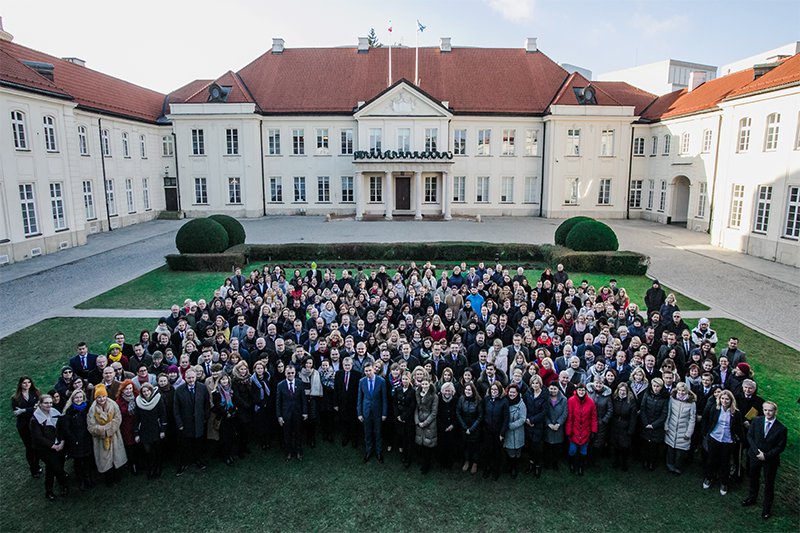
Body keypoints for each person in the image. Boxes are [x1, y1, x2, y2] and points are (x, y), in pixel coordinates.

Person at [742, 401, 788, 520]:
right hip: (755, 456)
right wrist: (757, 452)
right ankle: (752, 497)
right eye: (765, 410)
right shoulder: (756, 421)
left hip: (770, 460)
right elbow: (750, 436)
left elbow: (780, 447)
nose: (768, 412)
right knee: (753, 478)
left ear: (775, 411)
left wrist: (766, 456)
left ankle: (766, 508)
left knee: (769, 484)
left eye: (770, 410)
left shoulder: (781, 428)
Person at [702, 389, 744, 496]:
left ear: (731, 400)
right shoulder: (715, 409)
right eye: (722, 398)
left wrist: (741, 440)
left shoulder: (736, 413)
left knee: (725, 462)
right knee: (711, 459)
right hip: (714, 437)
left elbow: (739, 428)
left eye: (727, 399)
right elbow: (710, 420)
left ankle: (724, 482)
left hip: (728, 440)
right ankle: (709, 477)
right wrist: (707, 432)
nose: (724, 401)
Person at [29, 393, 69, 501]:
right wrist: (53, 446)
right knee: (57, 468)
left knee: (51, 469)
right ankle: (64, 485)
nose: (49, 405)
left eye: (50, 403)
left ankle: (49, 490)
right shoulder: (35, 420)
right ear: (40, 404)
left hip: (59, 444)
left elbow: (61, 428)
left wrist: (62, 442)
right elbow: (38, 437)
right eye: (46, 403)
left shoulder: (55, 412)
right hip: (45, 449)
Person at [86, 384, 127, 486]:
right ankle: (109, 479)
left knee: (116, 456)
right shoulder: (92, 409)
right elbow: (91, 426)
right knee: (105, 459)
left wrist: (109, 430)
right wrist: (103, 431)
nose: (101, 399)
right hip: (101, 439)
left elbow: (118, 419)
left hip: (114, 436)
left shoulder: (113, 404)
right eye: (99, 397)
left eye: (103, 396)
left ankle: (118, 476)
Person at [173, 369, 210, 475]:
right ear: (185, 378)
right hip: (186, 423)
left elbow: (206, 403)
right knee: (185, 444)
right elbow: (176, 409)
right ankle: (184, 463)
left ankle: (198, 460)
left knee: (198, 443)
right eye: (188, 378)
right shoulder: (179, 390)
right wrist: (179, 423)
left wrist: (205, 417)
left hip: (199, 422)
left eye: (193, 377)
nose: (191, 380)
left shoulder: (202, 388)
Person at [60, 390, 94, 490]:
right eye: (76, 398)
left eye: (80, 397)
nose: (79, 399)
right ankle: (81, 480)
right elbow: (66, 429)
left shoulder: (87, 407)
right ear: (72, 399)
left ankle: (88, 477)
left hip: (87, 438)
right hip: (76, 441)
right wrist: (74, 440)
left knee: (87, 460)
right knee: (78, 461)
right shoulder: (69, 411)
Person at [11, 376, 42, 478]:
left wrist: (24, 410)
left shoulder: (36, 393)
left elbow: (38, 407)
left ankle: (37, 465)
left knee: (36, 445)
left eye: (29, 382)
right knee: (29, 447)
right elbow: (17, 413)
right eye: (24, 383)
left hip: (35, 423)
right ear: (20, 384)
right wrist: (31, 409)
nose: (27, 384)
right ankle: (33, 468)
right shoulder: (15, 398)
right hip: (23, 426)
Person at [134, 382, 167, 478]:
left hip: (156, 429)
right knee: (148, 451)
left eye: (148, 390)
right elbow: (136, 418)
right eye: (144, 391)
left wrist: (162, 430)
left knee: (157, 450)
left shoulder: (158, 399)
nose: (146, 393)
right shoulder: (138, 401)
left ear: (151, 391)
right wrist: (136, 433)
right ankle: (150, 468)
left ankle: (158, 468)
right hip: (144, 430)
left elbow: (163, 415)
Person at [357, 361, 388, 463]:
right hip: (366, 412)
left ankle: (379, 452)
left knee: (378, 432)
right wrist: (359, 413)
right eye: (366, 371)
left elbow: (384, 399)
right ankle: (368, 451)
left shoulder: (381, 381)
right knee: (367, 433)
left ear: (374, 369)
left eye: (369, 370)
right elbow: (359, 398)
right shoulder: (362, 381)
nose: (368, 373)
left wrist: (384, 413)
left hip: (378, 412)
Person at [276, 364, 308, 461]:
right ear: (285, 373)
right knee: (287, 434)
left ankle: (298, 452)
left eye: (292, 373)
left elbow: (304, 399)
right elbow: (278, 402)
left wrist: (305, 412)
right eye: (288, 373)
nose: (290, 375)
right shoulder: (280, 385)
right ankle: (288, 452)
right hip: (286, 414)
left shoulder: (300, 383)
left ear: (295, 373)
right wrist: (279, 416)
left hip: (298, 413)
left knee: (298, 433)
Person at [664, 381, 697, 475]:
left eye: (683, 391)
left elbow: (692, 419)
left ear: (686, 391)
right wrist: (666, 425)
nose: (681, 392)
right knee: (670, 449)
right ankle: (670, 466)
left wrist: (688, 433)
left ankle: (678, 468)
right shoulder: (672, 399)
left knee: (680, 452)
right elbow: (669, 413)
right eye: (679, 390)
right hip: (671, 427)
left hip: (683, 430)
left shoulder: (691, 403)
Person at [565, 383, 597, 476]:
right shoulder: (571, 400)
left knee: (583, 450)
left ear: (586, 391)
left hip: (585, 431)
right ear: (576, 391)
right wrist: (568, 431)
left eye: (583, 390)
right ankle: (571, 463)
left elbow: (593, 418)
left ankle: (581, 466)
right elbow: (569, 417)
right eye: (579, 390)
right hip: (574, 430)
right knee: (572, 450)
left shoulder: (591, 402)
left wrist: (593, 431)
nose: (581, 392)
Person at [639, 377, 669, 471]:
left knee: (654, 447)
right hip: (646, 423)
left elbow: (664, 414)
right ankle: (644, 461)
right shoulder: (647, 394)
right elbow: (642, 408)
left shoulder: (664, 398)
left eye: (658, 386)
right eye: (654, 386)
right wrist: (646, 422)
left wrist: (654, 425)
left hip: (656, 426)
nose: (656, 388)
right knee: (645, 445)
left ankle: (652, 462)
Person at [482, 381, 508, 480]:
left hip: (498, 431)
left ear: (500, 390)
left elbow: (506, 418)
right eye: (492, 389)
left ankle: (495, 471)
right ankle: (486, 469)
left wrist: (502, 433)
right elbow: (483, 413)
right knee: (487, 451)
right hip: (487, 430)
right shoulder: (487, 399)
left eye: (496, 390)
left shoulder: (504, 401)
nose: (494, 391)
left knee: (497, 452)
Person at [334, 357, 361, 448]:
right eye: (345, 365)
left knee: (353, 422)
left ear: (352, 365)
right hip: (342, 402)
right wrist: (336, 403)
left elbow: (359, 391)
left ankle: (354, 439)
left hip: (353, 403)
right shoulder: (338, 374)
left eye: (349, 365)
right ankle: (345, 438)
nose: (347, 367)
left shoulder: (357, 375)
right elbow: (336, 389)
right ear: (342, 365)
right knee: (343, 421)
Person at [609, 382, 637, 471]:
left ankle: (624, 464)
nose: (622, 392)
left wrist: (630, 430)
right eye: (620, 390)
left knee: (625, 447)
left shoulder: (631, 401)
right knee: (615, 446)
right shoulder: (614, 398)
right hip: (615, 425)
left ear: (627, 391)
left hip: (625, 426)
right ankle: (615, 462)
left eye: (624, 390)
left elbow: (633, 417)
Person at [456, 381, 483, 475]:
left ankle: (475, 463)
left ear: (473, 391)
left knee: (475, 447)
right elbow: (458, 412)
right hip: (464, 427)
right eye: (466, 389)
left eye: (469, 390)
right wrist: (464, 427)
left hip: (475, 428)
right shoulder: (461, 399)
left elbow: (480, 416)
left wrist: (471, 429)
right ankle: (467, 461)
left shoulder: (478, 400)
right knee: (466, 445)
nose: (467, 391)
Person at [211, 373, 238, 466]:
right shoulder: (216, 392)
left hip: (232, 418)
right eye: (222, 380)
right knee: (224, 438)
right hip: (223, 418)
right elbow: (218, 406)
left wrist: (233, 412)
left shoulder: (231, 390)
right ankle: (225, 456)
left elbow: (234, 402)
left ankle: (230, 454)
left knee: (231, 437)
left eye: (226, 379)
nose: (224, 381)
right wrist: (226, 413)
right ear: (219, 381)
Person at [414, 373, 438, 474]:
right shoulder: (418, 393)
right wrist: (417, 421)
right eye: (422, 384)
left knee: (428, 445)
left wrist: (425, 423)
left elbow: (434, 412)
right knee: (421, 444)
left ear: (429, 384)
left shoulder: (434, 396)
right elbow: (416, 409)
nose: (424, 386)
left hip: (429, 423)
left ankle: (427, 466)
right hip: (420, 420)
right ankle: (422, 462)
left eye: (426, 384)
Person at [523, 375, 547, 477]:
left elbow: (544, 411)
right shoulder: (527, 394)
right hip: (528, 424)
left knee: (536, 447)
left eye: (537, 383)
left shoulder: (544, 395)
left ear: (540, 384)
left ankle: (537, 465)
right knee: (529, 446)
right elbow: (524, 407)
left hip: (538, 425)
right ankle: (531, 463)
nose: (535, 385)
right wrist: (528, 420)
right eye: (533, 383)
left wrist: (533, 420)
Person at [394, 371, 417, 467]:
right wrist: (398, 416)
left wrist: (404, 417)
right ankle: (403, 455)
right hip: (399, 418)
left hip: (408, 419)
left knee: (409, 439)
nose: (404, 381)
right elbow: (395, 403)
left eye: (406, 379)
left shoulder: (413, 391)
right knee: (402, 437)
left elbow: (412, 406)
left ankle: (409, 458)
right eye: (403, 379)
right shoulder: (398, 389)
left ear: (410, 379)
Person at [503, 383, 527, 478]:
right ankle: (510, 465)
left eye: (514, 392)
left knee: (517, 450)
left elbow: (522, 419)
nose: (512, 394)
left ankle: (515, 467)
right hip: (507, 432)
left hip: (517, 431)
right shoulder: (505, 402)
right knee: (509, 450)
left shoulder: (521, 404)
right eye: (510, 392)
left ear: (517, 393)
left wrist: (510, 426)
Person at [544, 381, 568, 470]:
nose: (553, 390)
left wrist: (558, 423)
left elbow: (565, 413)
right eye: (551, 388)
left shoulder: (564, 399)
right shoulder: (545, 398)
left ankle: (555, 463)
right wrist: (549, 423)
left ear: (558, 389)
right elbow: (544, 413)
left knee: (557, 447)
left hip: (559, 427)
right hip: (548, 426)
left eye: (555, 389)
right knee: (548, 446)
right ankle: (547, 462)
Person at [436, 382, 459, 469]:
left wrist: (452, 425)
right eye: (446, 391)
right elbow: (437, 414)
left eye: (449, 391)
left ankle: (450, 462)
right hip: (441, 426)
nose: (447, 393)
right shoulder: (439, 399)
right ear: (442, 391)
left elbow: (458, 414)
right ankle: (441, 462)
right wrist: (442, 426)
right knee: (441, 445)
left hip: (452, 427)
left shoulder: (455, 399)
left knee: (451, 445)